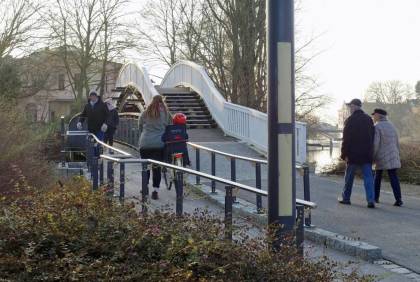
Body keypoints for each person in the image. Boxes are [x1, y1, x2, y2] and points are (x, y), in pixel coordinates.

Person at [338, 98, 376, 208]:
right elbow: (372, 137)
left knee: (349, 178)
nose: (349, 108)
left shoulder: (350, 120)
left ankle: (346, 198)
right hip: (366, 154)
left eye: (350, 106)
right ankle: (370, 200)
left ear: (355, 106)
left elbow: (346, 139)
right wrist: (371, 152)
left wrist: (344, 154)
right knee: (368, 178)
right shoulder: (369, 119)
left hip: (353, 154)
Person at [138, 95, 172, 200]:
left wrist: (143, 134)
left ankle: (145, 187)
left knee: (146, 167)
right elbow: (170, 125)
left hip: (145, 143)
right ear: (162, 101)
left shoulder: (146, 112)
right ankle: (155, 191)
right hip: (159, 144)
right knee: (156, 168)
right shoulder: (166, 113)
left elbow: (140, 123)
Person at [372, 108, 403, 206]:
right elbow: (397, 142)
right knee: (393, 177)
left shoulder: (377, 127)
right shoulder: (392, 126)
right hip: (393, 155)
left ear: (378, 115)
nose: (373, 116)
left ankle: (375, 198)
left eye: (374, 115)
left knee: (377, 177)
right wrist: (397, 154)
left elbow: (375, 144)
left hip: (381, 156)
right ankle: (399, 200)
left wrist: (372, 157)